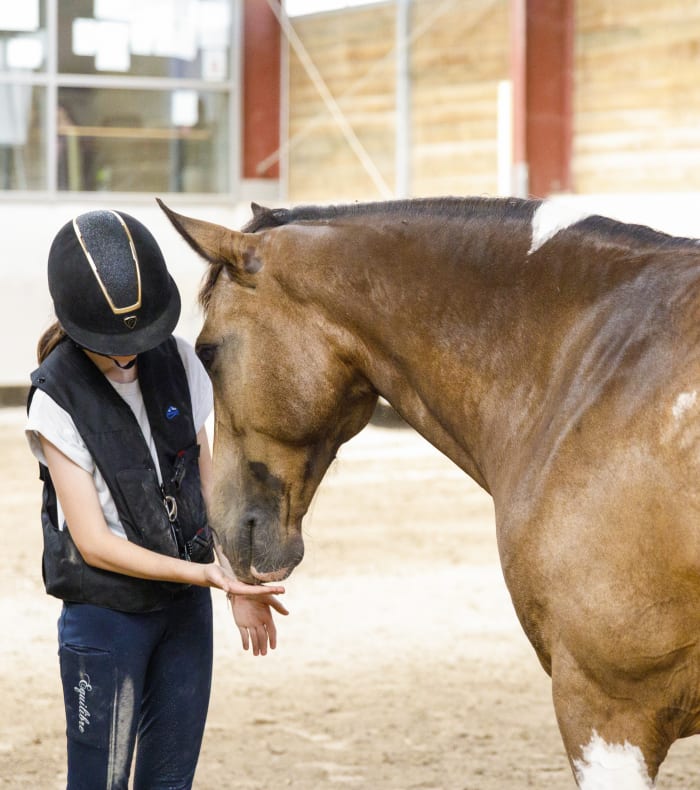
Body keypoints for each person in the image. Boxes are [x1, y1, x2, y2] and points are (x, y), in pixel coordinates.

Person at [25, 208, 288, 790]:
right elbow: (93, 544)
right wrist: (205, 579)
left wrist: (235, 578)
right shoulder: (55, 399)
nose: (127, 358)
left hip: (184, 617)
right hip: (106, 619)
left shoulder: (179, 361)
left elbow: (207, 477)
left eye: (136, 341)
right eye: (110, 345)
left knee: (170, 783)